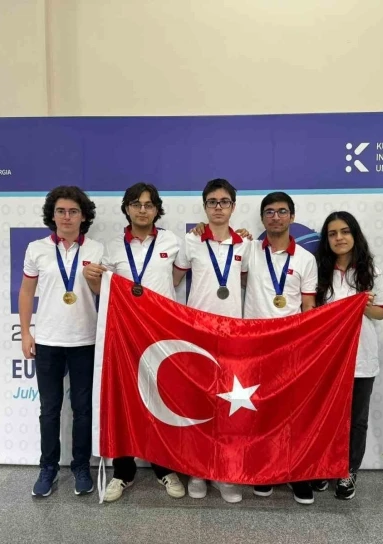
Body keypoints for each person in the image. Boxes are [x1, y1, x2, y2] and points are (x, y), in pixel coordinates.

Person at [83, 182, 186, 502]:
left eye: (149, 204)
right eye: (136, 204)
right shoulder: (112, 247)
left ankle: (164, 467)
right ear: (127, 208)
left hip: (162, 334)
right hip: (125, 336)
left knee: (160, 401)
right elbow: (105, 292)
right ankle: (123, 472)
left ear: (157, 209)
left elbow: (176, 280)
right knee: (124, 400)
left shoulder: (172, 242)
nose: (143, 210)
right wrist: (93, 281)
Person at [19, 186, 104, 497]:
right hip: (48, 340)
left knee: (83, 409)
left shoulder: (97, 249)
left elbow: (104, 294)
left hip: (85, 339)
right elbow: (26, 292)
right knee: (49, 409)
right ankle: (48, 468)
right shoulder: (36, 249)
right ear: (52, 216)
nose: (67, 217)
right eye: (61, 211)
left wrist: (96, 281)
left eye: (73, 211)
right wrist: (26, 332)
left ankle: (81, 467)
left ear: (83, 216)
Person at [172, 178, 251, 504]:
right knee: (199, 406)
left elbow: (246, 282)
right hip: (198, 334)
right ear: (205, 206)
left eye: (224, 202)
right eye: (212, 202)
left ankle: (224, 474)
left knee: (228, 408)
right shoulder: (191, 241)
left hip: (232, 336)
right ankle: (198, 471)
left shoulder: (244, 244)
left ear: (233, 206)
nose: (218, 207)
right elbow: (173, 279)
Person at [241, 192, 319, 505]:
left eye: (282, 211)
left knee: (293, 413)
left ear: (292, 216)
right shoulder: (248, 250)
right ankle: (265, 472)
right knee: (260, 411)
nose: (276, 217)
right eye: (270, 212)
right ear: (262, 218)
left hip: (291, 347)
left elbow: (309, 305)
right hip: (256, 346)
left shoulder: (306, 259)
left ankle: (296, 473)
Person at [313, 211, 383, 501]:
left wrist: (361, 305)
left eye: (345, 231)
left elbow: (381, 313)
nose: (339, 238)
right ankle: (322, 466)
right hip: (327, 358)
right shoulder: (319, 271)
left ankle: (348, 470)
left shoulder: (371, 272)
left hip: (361, 357)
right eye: (332, 234)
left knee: (356, 419)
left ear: (355, 235)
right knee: (325, 415)